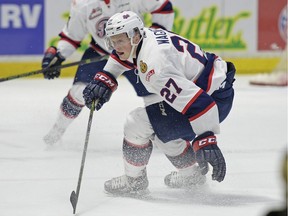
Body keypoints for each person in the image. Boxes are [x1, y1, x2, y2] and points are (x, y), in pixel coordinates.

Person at [82, 11, 236, 195]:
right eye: (112, 41)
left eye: (120, 41)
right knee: (161, 129)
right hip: (215, 88)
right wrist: (106, 77)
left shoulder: (155, 67)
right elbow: (124, 54)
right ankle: (191, 175)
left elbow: (199, 104)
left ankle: (134, 181)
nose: (115, 46)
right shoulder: (145, 35)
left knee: (137, 123)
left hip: (210, 101)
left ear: (135, 35)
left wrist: (206, 139)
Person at [41, 0, 174, 145]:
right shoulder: (83, 4)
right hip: (99, 54)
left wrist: (153, 36)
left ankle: (165, 135)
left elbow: (162, 6)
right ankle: (57, 130)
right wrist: (58, 55)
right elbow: (72, 36)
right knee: (79, 91)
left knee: (155, 95)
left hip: (134, 51)